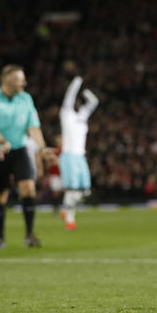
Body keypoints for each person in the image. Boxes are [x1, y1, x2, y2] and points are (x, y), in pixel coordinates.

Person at [0, 64, 51, 249]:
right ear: (7, 80)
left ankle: (30, 235)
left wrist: (42, 148)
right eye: (20, 80)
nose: (24, 83)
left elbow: (33, 127)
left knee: (28, 188)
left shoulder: (26, 99)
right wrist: (3, 142)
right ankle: (0, 238)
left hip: (20, 149)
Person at [59, 76, 99, 230]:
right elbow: (69, 96)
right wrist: (77, 81)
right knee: (73, 189)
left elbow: (94, 102)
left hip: (80, 157)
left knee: (85, 190)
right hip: (69, 156)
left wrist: (86, 92)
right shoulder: (66, 114)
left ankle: (65, 207)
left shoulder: (81, 117)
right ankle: (70, 220)